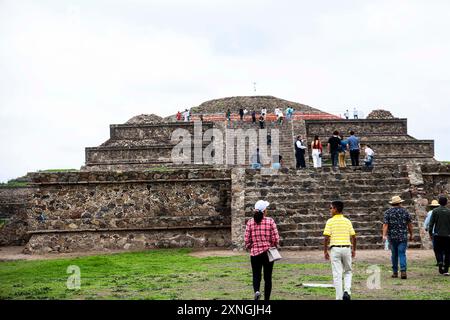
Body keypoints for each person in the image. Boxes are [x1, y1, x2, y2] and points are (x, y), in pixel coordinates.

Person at [245, 200, 280, 300]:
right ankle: (267, 299)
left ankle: (257, 291)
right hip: (267, 252)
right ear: (264, 211)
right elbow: (276, 238)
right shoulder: (270, 221)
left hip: (255, 253)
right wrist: (272, 245)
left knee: (256, 275)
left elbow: (247, 239)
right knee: (267, 277)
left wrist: (251, 247)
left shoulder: (250, 222)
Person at [323, 200, 356, 300]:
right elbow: (354, 237)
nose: (330, 210)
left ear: (335, 209)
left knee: (337, 274)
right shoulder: (347, 221)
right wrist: (354, 249)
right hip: (346, 248)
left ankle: (339, 297)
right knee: (348, 271)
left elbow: (326, 237)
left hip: (335, 249)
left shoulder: (330, 221)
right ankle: (347, 291)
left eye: (331, 208)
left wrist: (325, 251)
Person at [382, 196, 414, 279]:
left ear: (392, 204)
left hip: (392, 237)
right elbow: (409, 224)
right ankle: (403, 271)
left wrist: (384, 235)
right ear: (400, 203)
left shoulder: (388, 212)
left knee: (394, 254)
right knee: (402, 253)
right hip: (403, 236)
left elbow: (385, 225)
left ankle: (395, 272)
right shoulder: (405, 212)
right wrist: (411, 234)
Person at [428, 196, 450, 276]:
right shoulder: (449, 211)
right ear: (446, 202)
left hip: (437, 235)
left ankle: (440, 261)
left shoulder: (435, 211)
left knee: (438, 250)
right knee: (448, 252)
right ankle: (446, 269)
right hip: (448, 235)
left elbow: (431, 223)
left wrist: (430, 233)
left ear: (439, 203)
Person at [424, 199, 441, 266]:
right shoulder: (442, 211)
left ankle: (439, 261)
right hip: (443, 232)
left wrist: (426, 228)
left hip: (435, 232)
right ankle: (445, 260)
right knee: (444, 247)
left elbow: (427, 222)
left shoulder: (430, 212)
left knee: (436, 248)